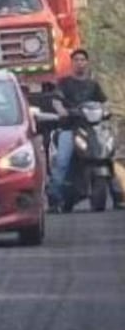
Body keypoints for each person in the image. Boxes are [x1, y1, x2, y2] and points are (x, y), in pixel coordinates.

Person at [49, 49, 123, 210]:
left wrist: (106, 110)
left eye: (83, 59)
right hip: (70, 128)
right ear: (72, 63)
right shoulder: (64, 83)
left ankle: (119, 197)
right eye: (76, 59)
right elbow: (56, 100)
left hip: (93, 130)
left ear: (87, 62)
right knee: (62, 161)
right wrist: (62, 111)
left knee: (108, 156)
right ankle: (55, 199)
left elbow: (105, 102)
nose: (80, 62)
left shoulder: (93, 84)